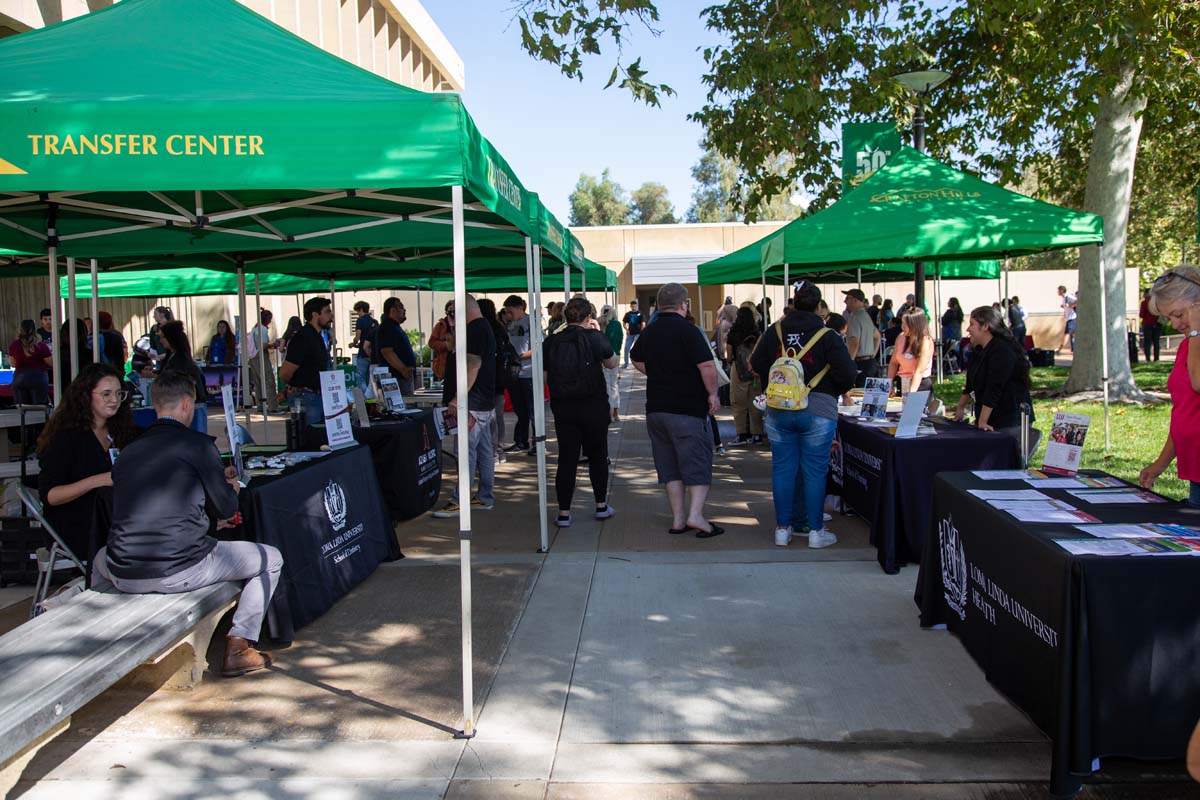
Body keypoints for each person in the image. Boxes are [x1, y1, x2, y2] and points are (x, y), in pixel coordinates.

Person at [94, 369, 283, 678]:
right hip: (180, 567)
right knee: (270, 559)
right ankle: (239, 647)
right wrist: (232, 490)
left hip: (122, 569)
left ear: (156, 405)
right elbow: (226, 507)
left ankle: (98, 630)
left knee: (99, 558)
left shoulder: (128, 452)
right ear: (186, 404)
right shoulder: (198, 445)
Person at [751, 281, 856, 549]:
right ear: (819, 306)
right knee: (815, 471)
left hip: (779, 408)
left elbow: (757, 363)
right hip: (818, 408)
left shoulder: (775, 331)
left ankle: (782, 529)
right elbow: (847, 374)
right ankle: (815, 531)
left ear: (794, 302)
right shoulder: (828, 336)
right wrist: (829, 389)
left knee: (783, 469)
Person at [630, 283, 723, 538]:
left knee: (669, 466)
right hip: (687, 410)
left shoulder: (650, 331)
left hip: (656, 410)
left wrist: (657, 373)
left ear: (659, 305)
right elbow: (706, 365)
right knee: (697, 463)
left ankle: (679, 519)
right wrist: (712, 394)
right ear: (684, 304)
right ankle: (696, 515)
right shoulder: (689, 330)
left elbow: (635, 357)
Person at [37, 363, 137, 565]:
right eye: (106, 394)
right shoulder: (64, 437)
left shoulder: (122, 431)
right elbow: (51, 496)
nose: (114, 400)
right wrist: (97, 481)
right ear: (86, 396)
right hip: (75, 525)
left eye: (119, 394)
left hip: (113, 520)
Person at [544, 297, 618, 527]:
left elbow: (545, 377)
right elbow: (612, 363)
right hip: (593, 405)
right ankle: (601, 506)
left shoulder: (552, 341)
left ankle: (564, 513)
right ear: (589, 317)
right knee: (598, 455)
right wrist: (597, 332)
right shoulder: (595, 337)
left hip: (564, 407)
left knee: (567, 459)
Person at [1139, 266, 1200, 507]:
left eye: (1178, 314)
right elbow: (1184, 411)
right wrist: (1160, 463)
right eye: (1169, 318)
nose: (1174, 324)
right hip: (1194, 468)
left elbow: (1198, 383)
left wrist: (1195, 330)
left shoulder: (1194, 339)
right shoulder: (1188, 344)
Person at [433, 295, 497, 517]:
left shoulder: (476, 330)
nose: (450, 317)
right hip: (481, 402)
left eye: (452, 313)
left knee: (465, 452)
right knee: (484, 450)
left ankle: (460, 501)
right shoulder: (480, 328)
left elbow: (473, 366)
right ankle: (484, 497)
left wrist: (457, 399)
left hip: (472, 403)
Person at [953, 306, 1038, 458]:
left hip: (1009, 420)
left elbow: (994, 388)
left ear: (985, 326)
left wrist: (982, 421)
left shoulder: (1003, 351)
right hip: (990, 418)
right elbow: (970, 383)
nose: (968, 329)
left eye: (972, 324)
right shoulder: (980, 349)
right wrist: (960, 407)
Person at [280, 297, 333, 427]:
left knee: (318, 433)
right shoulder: (303, 337)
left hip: (315, 395)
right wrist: (297, 386)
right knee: (310, 434)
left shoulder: (318, 336)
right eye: (327, 312)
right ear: (315, 315)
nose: (331, 316)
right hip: (305, 397)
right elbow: (285, 373)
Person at [155, 320, 210, 434]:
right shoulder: (171, 356)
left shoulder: (180, 359)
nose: (161, 340)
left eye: (163, 337)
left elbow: (174, 381)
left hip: (187, 406)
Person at [478, 299, 514, 463]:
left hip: (487, 378)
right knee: (497, 416)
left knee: (490, 416)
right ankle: (498, 450)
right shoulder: (500, 328)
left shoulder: (483, 329)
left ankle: (493, 452)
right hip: (499, 377)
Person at [502, 295, 536, 454]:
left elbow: (538, 347)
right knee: (520, 410)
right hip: (515, 372)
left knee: (533, 410)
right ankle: (521, 441)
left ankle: (537, 442)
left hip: (528, 372)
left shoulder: (531, 322)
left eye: (510, 311)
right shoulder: (512, 324)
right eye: (506, 312)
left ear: (520, 308)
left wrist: (519, 357)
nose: (508, 315)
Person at [726, 306, 763, 445]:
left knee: (738, 403)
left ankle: (741, 434)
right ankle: (757, 434)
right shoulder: (757, 333)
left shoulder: (733, 333)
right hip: (755, 371)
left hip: (738, 370)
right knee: (755, 402)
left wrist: (732, 361)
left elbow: (729, 355)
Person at [373, 297, 416, 395]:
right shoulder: (387, 327)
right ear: (392, 310)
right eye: (401, 307)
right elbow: (387, 352)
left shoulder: (394, 327)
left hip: (399, 378)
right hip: (395, 378)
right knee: (400, 403)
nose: (404, 310)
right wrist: (403, 370)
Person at [887, 310, 934, 396]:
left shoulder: (925, 341)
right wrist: (889, 383)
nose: (902, 327)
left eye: (906, 324)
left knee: (912, 405)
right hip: (902, 382)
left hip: (919, 385)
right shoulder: (901, 337)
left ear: (915, 325)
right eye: (902, 323)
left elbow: (919, 371)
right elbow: (893, 363)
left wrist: (911, 394)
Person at [9, 320, 52, 405]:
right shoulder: (41, 345)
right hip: (39, 377)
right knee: (40, 406)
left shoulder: (14, 345)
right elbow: (51, 363)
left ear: (20, 330)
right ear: (34, 330)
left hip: (20, 378)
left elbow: (12, 364)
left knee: (22, 406)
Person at [843, 289, 880, 386]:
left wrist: (849, 365)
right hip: (870, 363)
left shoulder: (854, 318)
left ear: (855, 300)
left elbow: (854, 342)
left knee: (858, 393)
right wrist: (872, 355)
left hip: (860, 364)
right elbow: (877, 336)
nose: (845, 301)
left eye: (847, 298)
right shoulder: (866, 316)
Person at [248, 309, 281, 413]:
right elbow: (263, 345)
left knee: (258, 383)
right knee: (269, 381)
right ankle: (273, 407)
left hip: (253, 357)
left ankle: (260, 406)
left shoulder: (255, 328)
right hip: (261, 356)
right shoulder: (263, 329)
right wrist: (273, 345)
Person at [600, 304, 623, 421]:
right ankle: (616, 413)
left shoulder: (602, 324)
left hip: (605, 357)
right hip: (616, 355)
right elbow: (620, 339)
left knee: (607, 385)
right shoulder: (617, 324)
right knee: (614, 385)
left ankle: (609, 413)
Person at [351, 301, 377, 398]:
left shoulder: (360, 321)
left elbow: (358, 336)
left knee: (360, 377)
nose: (357, 314)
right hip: (373, 353)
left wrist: (354, 343)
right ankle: (372, 396)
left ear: (361, 309)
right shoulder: (374, 322)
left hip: (363, 353)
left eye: (357, 311)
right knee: (370, 379)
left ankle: (366, 397)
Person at [429, 301, 454, 382]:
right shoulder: (440, 325)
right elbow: (431, 342)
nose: (453, 312)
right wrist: (446, 345)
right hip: (442, 366)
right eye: (451, 309)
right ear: (446, 311)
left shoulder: (463, 324)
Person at [1139, 287, 1161, 362]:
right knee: (1156, 341)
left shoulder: (1144, 303)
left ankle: (1147, 358)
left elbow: (1141, 315)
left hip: (1147, 324)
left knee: (1147, 342)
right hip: (1157, 323)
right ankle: (1156, 358)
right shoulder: (1157, 302)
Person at [622, 300, 644, 368]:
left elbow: (643, 323)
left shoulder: (640, 313)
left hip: (638, 333)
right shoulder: (628, 314)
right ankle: (626, 364)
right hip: (630, 333)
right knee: (626, 348)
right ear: (630, 306)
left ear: (637, 306)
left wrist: (642, 331)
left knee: (637, 348)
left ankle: (639, 363)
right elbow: (624, 323)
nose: (634, 308)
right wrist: (627, 329)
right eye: (632, 306)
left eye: (635, 306)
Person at [1057, 285, 1077, 352]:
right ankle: (1075, 350)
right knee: (1073, 335)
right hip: (1069, 319)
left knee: (1067, 334)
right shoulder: (1064, 299)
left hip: (1072, 318)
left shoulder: (1068, 297)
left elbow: (1078, 301)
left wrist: (1070, 305)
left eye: (1058, 290)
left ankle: (1059, 349)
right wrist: (1064, 306)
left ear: (1062, 290)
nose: (1057, 292)